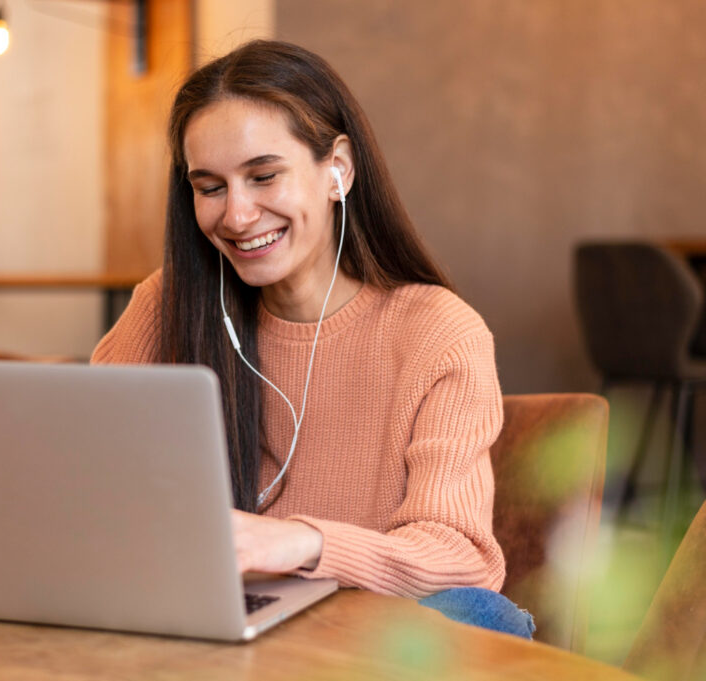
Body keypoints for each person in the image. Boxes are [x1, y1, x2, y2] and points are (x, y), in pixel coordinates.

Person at [92, 40, 533, 638]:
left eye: (263, 176)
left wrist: (300, 542)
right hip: (208, 625)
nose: (238, 215)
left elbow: (460, 557)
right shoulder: (168, 306)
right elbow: (84, 484)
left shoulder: (437, 330)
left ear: (338, 170)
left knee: (484, 616)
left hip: (366, 640)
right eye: (210, 187)